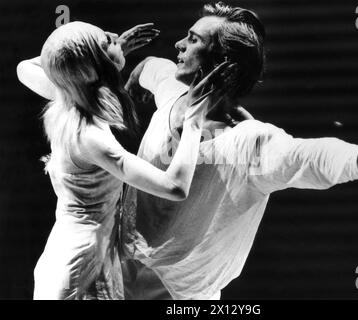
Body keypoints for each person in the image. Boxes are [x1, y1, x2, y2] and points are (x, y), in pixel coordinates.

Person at [120, 2, 358, 300]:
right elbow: (151, 68)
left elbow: (306, 156)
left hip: (179, 294)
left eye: (193, 39)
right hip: (119, 267)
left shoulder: (249, 142)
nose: (178, 44)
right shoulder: (171, 92)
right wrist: (133, 81)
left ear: (223, 63)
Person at [16, 21, 233, 299]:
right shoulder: (90, 135)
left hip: (66, 246)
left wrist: (105, 54)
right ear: (94, 66)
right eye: (107, 40)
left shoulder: (68, 94)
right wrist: (193, 118)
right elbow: (174, 187)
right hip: (83, 266)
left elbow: (27, 67)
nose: (116, 37)